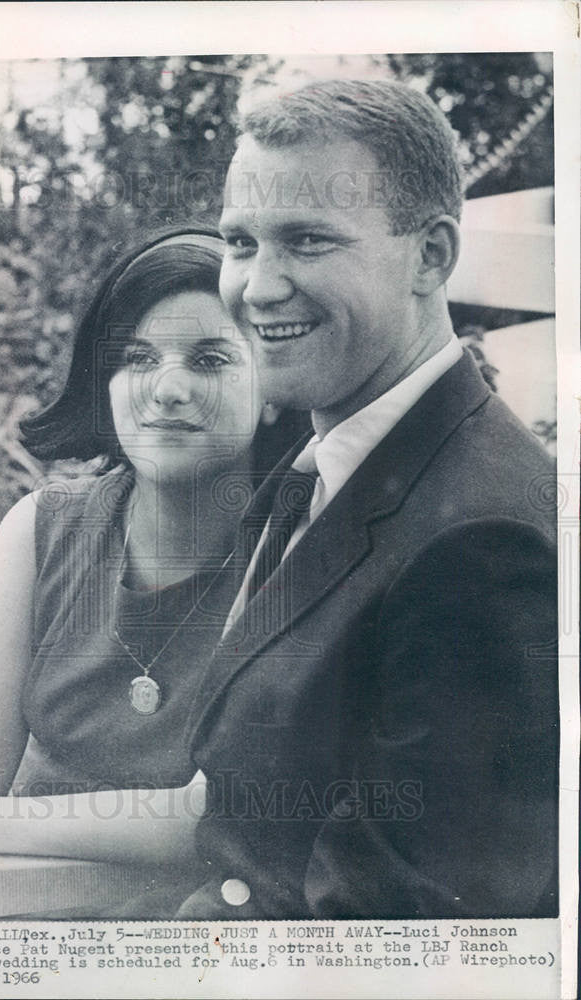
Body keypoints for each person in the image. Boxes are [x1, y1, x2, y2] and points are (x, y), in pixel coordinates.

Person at [175, 79, 559, 919]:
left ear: (430, 256)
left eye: (307, 242)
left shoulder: (481, 543)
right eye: (239, 243)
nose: (258, 287)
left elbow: (395, 940)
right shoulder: (327, 470)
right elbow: (250, 811)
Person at [0, 227, 308, 918]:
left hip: (187, 940)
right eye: (137, 358)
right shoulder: (40, 531)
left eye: (210, 359)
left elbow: (213, 816)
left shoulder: (293, 549)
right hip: (5, 906)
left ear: (273, 389)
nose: (166, 389)